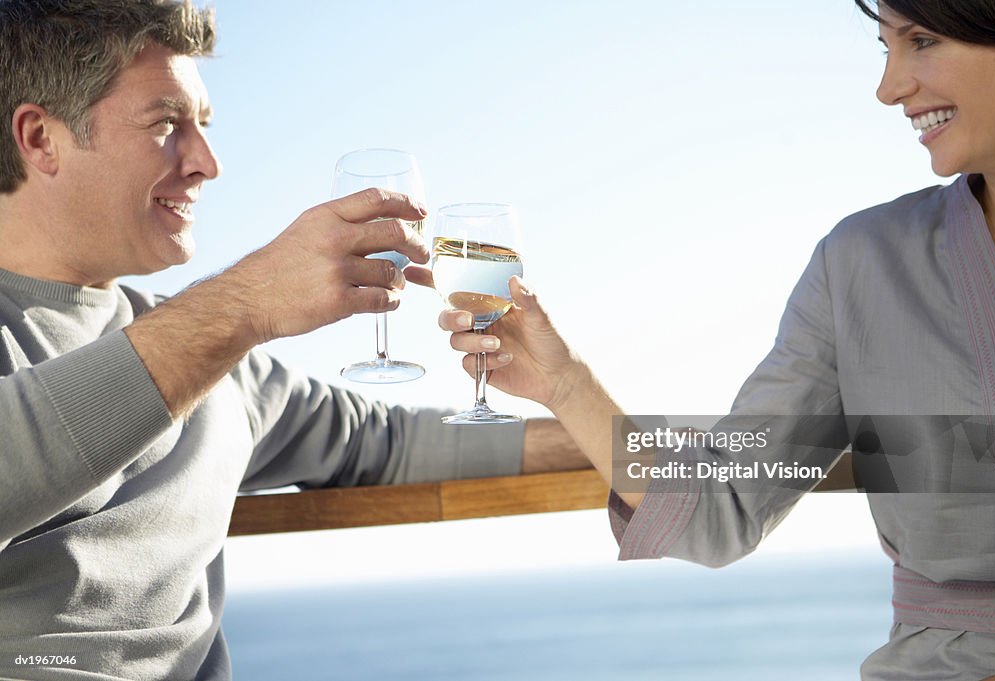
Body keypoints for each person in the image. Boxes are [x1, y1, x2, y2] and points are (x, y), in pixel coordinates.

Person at [0, 1, 587, 679]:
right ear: (41, 138)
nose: (207, 163)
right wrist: (246, 302)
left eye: (204, 126)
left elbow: (392, 445)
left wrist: (636, 434)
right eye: (166, 123)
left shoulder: (222, 370)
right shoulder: (212, 335)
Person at [440, 1, 995, 679]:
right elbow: (725, 504)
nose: (889, 87)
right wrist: (563, 381)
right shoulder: (862, 263)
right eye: (885, 48)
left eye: (921, 41)